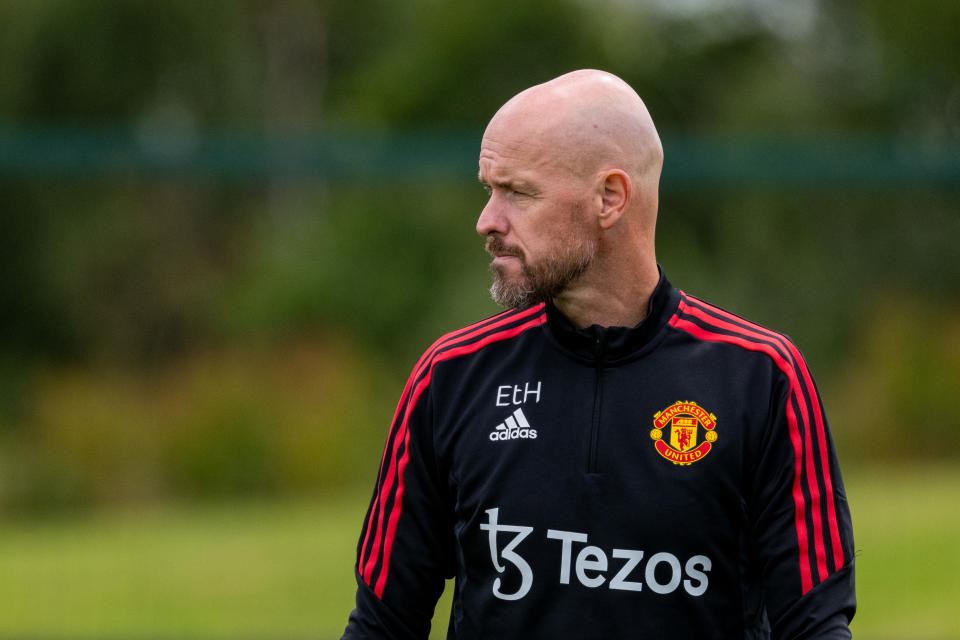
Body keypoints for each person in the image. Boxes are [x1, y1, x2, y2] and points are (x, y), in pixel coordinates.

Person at [341, 69, 855, 639]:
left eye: (518, 192)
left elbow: (814, 628)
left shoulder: (760, 378)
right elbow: (382, 625)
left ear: (610, 198)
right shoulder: (452, 376)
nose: (487, 220)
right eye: (489, 190)